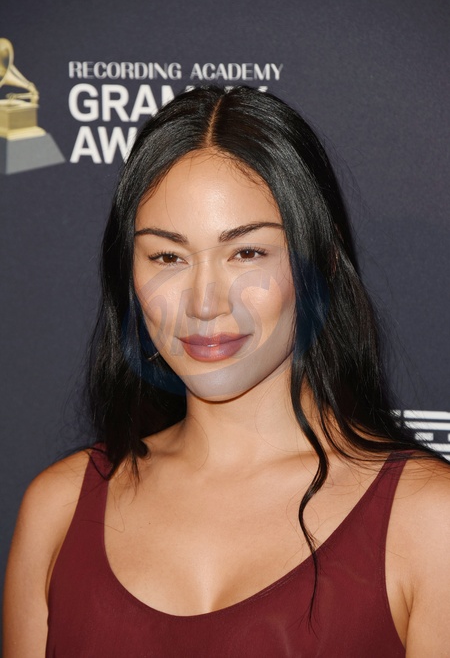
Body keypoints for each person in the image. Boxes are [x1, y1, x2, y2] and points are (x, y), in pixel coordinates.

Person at [3, 85, 450, 657]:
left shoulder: (427, 522)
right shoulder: (59, 509)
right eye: (167, 256)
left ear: (322, 263)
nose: (205, 303)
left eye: (247, 253)